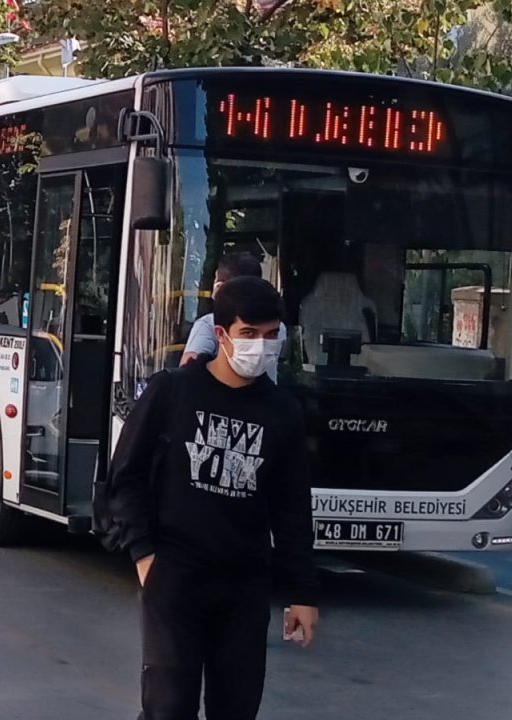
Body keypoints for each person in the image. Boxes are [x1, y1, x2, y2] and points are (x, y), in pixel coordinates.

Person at [104, 276, 318, 720]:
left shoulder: (283, 412)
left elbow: (293, 507)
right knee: (169, 707)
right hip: (175, 576)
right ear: (221, 334)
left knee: (236, 708)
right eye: (249, 333)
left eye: (271, 335)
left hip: (245, 586)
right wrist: (144, 556)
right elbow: (125, 477)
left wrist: (302, 593)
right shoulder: (173, 391)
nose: (261, 346)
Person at [181, 253, 287, 382]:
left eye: (271, 334)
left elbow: (188, 368)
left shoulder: (208, 323)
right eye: (249, 333)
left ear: (219, 287)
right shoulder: (278, 327)